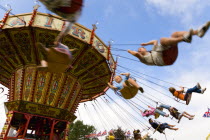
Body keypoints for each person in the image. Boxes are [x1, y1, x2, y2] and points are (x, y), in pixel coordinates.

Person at [128, 21, 210, 66]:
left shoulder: (153, 50)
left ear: (144, 49)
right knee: (162, 40)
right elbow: (137, 55)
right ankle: (184, 38)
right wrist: (129, 51)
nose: (139, 50)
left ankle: (197, 32)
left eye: (140, 49)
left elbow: (154, 41)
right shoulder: (144, 59)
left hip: (169, 54)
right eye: (139, 50)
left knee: (174, 34)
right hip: (164, 60)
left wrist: (145, 43)